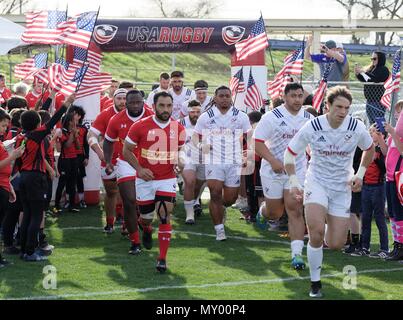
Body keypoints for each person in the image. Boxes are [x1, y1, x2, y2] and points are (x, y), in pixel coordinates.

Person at [284, 86, 375, 298]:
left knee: (336, 243)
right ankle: (315, 283)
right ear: (327, 106)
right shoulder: (313, 125)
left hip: (342, 187)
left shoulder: (355, 126)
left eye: (346, 108)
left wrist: (359, 175)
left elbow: (369, 149)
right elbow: (290, 154)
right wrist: (295, 182)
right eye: (338, 107)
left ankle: (327, 223)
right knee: (314, 233)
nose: (343, 112)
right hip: (316, 182)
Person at [123, 91, 186, 272]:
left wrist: (180, 163)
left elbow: (181, 151)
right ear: (154, 106)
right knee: (146, 217)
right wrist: (140, 170)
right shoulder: (140, 126)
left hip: (166, 179)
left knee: (165, 215)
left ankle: (162, 259)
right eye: (162, 105)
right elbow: (127, 151)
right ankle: (147, 228)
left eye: (169, 106)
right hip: (145, 180)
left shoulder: (178, 128)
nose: (166, 110)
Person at [254, 82, 314, 270]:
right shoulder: (272, 117)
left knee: (295, 209)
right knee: (275, 213)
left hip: (296, 171)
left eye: (300, 96)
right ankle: (263, 210)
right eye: (293, 96)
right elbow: (256, 142)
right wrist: (272, 160)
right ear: (284, 96)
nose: (297, 99)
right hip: (272, 170)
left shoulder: (309, 118)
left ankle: (297, 255)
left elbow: (315, 143)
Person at [15, 94, 75, 261]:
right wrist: (67, 104)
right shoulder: (36, 135)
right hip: (35, 178)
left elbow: (18, 161)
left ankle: (24, 249)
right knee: (36, 215)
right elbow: (52, 121)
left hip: (24, 177)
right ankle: (30, 251)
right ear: (37, 124)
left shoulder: (21, 137)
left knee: (27, 214)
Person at [193, 86, 251, 241]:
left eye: (227, 96)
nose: (224, 98)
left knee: (230, 198)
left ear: (231, 97)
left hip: (234, 161)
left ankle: (222, 208)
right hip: (214, 161)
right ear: (215, 98)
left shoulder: (241, 116)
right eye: (221, 96)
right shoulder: (206, 116)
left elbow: (249, 137)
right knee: (215, 193)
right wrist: (201, 146)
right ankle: (219, 230)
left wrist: (247, 155)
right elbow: (195, 137)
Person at [104, 89, 153, 254]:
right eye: (131, 102)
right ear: (126, 103)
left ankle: (145, 226)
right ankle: (135, 241)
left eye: (138, 102)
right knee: (130, 201)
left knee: (146, 203)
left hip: (148, 162)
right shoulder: (116, 119)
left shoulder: (152, 115)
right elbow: (108, 141)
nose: (135, 105)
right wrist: (109, 161)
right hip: (125, 162)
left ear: (143, 101)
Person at [88, 88, 127, 233]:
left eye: (125, 98)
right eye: (119, 98)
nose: (122, 102)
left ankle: (125, 221)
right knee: (111, 191)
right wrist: (99, 152)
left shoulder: (135, 113)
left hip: (129, 160)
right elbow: (91, 134)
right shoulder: (105, 115)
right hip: (110, 159)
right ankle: (110, 222)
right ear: (113, 99)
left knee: (128, 192)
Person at [350, 124, 388, 258]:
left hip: (378, 187)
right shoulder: (366, 149)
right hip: (366, 187)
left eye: (373, 132)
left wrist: (376, 160)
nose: (370, 134)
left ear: (380, 135)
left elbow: (385, 168)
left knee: (379, 218)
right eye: (370, 131)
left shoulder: (381, 150)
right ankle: (364, 247)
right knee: (365, 218)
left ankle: (384, 248)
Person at [0, 108, 24, 267]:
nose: (5, 129)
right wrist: (12, 157)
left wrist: (9, 187)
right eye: (2, 125)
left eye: (5, 126)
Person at [178, 100, 204, 224]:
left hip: (203, 158)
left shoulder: (207, 122)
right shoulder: (179, 123)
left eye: (198, 111)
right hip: (186, 156)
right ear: (188, 112)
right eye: (192, 111)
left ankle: (195, 200)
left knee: (198, 185)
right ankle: (190, 215)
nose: (195, 114)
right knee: (190, 181)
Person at [384, 100, 403, 261]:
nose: (397, 115)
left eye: (400, 112)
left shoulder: (399, 135)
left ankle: (401, 246)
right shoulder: (395, 135)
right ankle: (396, 244)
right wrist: (381, 138)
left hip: (399, 177)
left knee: (399, 213)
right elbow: (386, 153)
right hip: (389, 177)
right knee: (392, 213)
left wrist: (393, 133)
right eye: (397, 112)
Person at [355, 52, 390, 124]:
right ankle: (373, 135)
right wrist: (359, 74)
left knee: (379, 122)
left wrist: (363, 72)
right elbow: (366, 79)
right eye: (372, 59)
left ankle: (382, 135)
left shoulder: (384, 69)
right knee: (371, 122)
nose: (373, 60)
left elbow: (375, 79)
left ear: (380, 59)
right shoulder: (372, 69)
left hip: (378, 101)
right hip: (369, 100)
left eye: (374, 59)